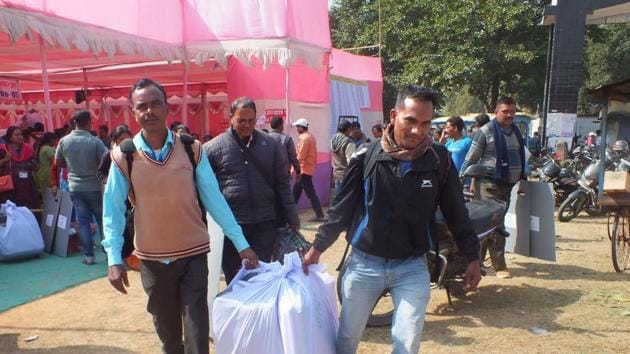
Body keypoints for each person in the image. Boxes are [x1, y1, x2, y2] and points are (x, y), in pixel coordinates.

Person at [302, 85, 481, 353]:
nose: (417, 130)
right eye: (410, 120)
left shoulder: (439, 161)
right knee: (348, 338)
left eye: (425, 123)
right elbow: (342, 208)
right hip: (364, 265)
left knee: (407, 342)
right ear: (394, 114)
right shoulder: (366, 156)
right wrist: (317, 247)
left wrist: (472, 256)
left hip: (411, 267)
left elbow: (457, 213)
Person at [103, 78, 258, 354]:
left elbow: (215, 200)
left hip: (193, 254)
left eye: (155, 104)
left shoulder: (191, 149)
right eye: (142, 106)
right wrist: (114, 259)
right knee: (169, 335)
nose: (149, 111)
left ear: (166, 107)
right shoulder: (123, 157)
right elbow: (112, 211)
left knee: (197, 330)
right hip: (151, 259)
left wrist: (241, 243)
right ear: (133, 111)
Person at [203, 97, 299, 283]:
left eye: (251, 121)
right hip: (232, 226)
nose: (246, 125)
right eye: (241, 121)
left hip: (265, 223)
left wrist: (292, 216)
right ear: (231, 118)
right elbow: (206, 190)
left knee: (260, 275)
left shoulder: (270, 145)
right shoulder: (213, 149)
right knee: (235, 277)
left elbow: (282, 183)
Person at [460, 97, 525, 279]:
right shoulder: (485, 131)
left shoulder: (516, 131)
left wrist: (521, 180)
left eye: (512, 111)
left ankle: (476, 263)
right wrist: (462, 178)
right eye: (505, 111)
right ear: (496, 112)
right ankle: (499, 266)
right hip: (488, 184)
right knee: (495, 224)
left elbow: (520, 158)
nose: (510, 114)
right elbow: (471, 159)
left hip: (508, 185)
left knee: (487, 226)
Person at [54, 110, 108, 265]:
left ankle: (89, 257)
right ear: (89, 122)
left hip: (75, 187)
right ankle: (109, 253)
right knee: (101, 220)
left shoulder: (64, 141)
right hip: (95, 186)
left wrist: (71, 167)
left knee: (82, 222)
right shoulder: (95, 141)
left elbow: (57, 163)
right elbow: (106, 160)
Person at [291, 118, 325, 222]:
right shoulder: (310, 137)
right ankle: (289, 213)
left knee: (309, 193)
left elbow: (301, 155)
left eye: (297, 126)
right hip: (306, 169)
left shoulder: (304, 138)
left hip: (303, 169)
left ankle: (319, 214)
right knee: (297, 193)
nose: (297, 128)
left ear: (302, 127)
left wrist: (294, 168)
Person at [3, 126, 40, 208]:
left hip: (27, 185)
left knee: (29, 207)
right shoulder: (4, 150)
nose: (20, 136)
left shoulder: (29, 149)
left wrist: (33, 164)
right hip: (11, 186)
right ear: (10, 138)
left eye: (21, 134)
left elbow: (36, 167)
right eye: (16, 135)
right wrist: (5, 159)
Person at [330, 120, 356, 193]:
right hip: (346, 175)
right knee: (346, 200)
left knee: (338, 198)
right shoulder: (349, 142)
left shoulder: (333, 139)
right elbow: (351, 161)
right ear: (348, 129)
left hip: (336, 174)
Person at [34, 132, 56, 198]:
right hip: (49, 174)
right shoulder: (48, 149)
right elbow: (55, 162)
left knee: (46, 195)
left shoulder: (39, 148)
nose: (55, 142)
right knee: (52, 195)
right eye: (55, 140)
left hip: (41, 174)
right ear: (51, 140)